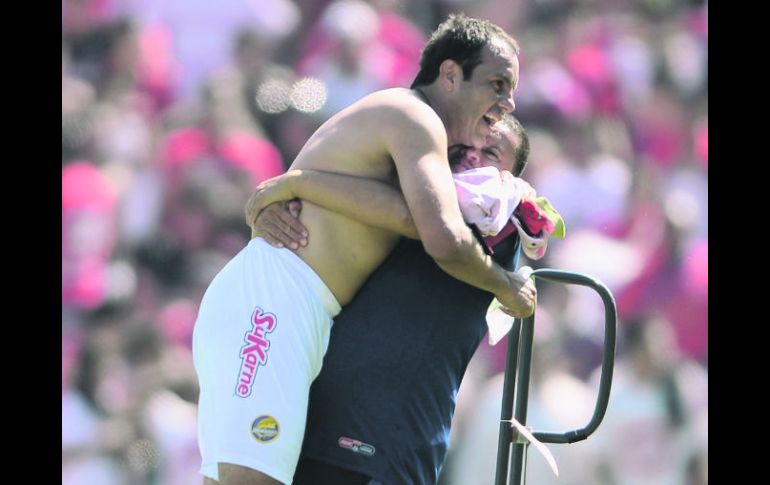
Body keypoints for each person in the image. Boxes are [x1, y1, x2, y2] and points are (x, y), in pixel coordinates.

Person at [195, 14, 535, 485]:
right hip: (275, 304)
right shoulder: (415, 117)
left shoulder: (416, 130)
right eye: (497, 84)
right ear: (451, 74)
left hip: (292, 307)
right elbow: (442, 237)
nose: (508, 101)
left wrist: (298, 182)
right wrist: (508, 287)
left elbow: (404, 216)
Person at [249, 115, 533, 484]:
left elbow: (406, 214)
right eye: (465, 147)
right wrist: (273, 206)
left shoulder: (499, 215)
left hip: (386, 441)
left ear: (515, 178)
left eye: (492, 152)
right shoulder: (422, 189)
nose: (473, 157)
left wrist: (291, 184)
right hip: (327, 424)